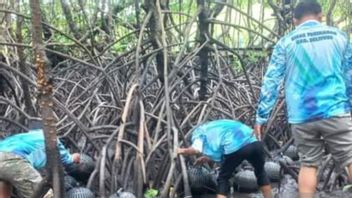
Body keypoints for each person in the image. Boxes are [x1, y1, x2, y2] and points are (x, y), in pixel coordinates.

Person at [254, 0, 352, 197]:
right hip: (335, 110)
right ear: (321, 15)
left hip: (301, 116)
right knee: (350, 157)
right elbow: (349, 75)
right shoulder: (340, 37)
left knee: (308, 164)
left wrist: (261, 118)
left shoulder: (286, 42)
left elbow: (271, 81)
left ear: (294, 20)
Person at [177, 119, 272, 198]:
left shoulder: (198, 133)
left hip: (237, 147)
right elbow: (222, 144)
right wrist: (208, 157)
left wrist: (181, 150)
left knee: (223, 178)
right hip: (255, 143)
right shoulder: (216, 126)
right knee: (261, 173)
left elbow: (196, 150)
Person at [0, 129, 80, 198]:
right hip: (13, 160)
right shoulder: (53, 140)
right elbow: (67, 159)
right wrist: (75, 157)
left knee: (4, 191)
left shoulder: (31, 134)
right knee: (44, 195)